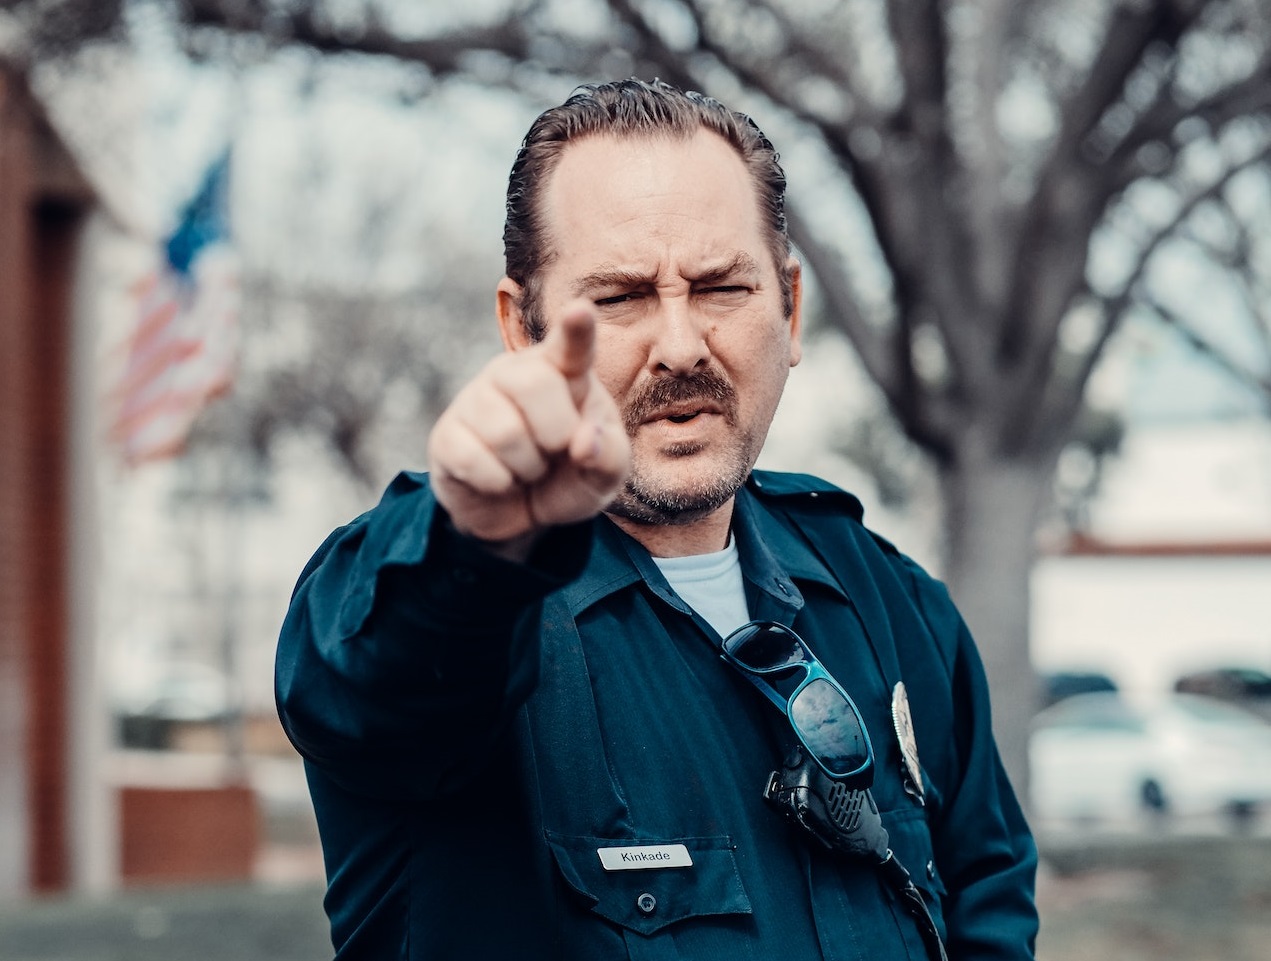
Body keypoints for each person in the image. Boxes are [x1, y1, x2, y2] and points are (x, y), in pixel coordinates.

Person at [277, 78, 1039, 960]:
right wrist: (477, 540)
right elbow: (377, 679)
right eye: (619, 298)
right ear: (521, 330)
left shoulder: (892, 606)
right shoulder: (442, 604)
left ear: (789, 310)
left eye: (720, 288)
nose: (680, 345)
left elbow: (988, 909)